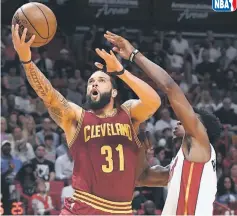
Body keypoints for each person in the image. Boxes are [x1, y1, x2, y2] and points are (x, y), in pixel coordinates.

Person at [11, 24, 161, 215]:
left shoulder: (128, 113)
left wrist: (121, 72)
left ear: (114, 91)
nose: (94, 83)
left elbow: (154, 101)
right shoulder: (77, 117)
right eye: (90, 82)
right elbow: (49, 95)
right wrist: (26, 60)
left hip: (122, 210)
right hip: (84, 208)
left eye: (101, 80)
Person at [104, 31, 222, 215]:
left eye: (190, 117)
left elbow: (170, 87)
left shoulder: (201, 141)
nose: (180, 119)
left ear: (202, 128)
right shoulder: (183, 164)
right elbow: (141, 178)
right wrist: (141, 149)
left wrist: (134, 54)